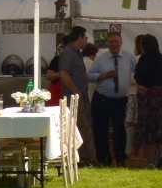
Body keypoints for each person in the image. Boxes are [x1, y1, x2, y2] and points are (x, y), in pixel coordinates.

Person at [129, 33, 162, 167]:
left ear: (144, 46)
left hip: (149, 96)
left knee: (149, 128)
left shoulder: (144, 58)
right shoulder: (161, 58)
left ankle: (151, 161)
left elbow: (139, 77)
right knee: (161, 125)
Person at [90, 30, 133, 167]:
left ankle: (120, 157)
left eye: (116, 41)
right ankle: (103, 159)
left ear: (121, 43)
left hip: (120, 101)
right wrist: (102, 76)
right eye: (111, 42)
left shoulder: (129, 57)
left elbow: (140, 71)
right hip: (102, 99)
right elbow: (89, 75)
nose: (114, 44)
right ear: (107, 44)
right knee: (100, 129)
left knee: (120, 128)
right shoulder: (100, 59)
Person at [54, 27, 94, 166]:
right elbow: (64, 75)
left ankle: (87, 159)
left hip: (80, 96)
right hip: (73, 98)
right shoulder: (68, 53)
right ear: (79, 38)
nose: (87, 40)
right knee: (81, 129)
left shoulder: (76, 53)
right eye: (85, 37)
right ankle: (84, 160)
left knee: (86, 128)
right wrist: (76, 92)